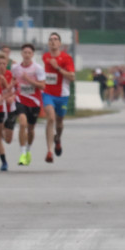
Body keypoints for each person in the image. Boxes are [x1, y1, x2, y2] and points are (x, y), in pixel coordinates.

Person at [41, 32, 75, 162]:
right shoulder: (45, 57)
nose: (53, 41)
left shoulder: (66, 58)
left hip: (62, 95)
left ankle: (58, 138)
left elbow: (72, 77)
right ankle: (49, 151)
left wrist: (58, 68)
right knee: (51, 118)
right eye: (50, 40)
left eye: (55, 39)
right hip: (48, 94)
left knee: (59, 123)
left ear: (59, 43)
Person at [10, 43, 44, 166]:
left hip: (34, 102)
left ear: (32, 55)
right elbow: (13, 81)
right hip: (20, 100)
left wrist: (28, 80)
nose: (27, 55)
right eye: (25, 52)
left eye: (29, 53)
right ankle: (22, 153)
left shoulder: (37, 68)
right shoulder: (16, 68)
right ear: (21, 54)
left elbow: (42, 85)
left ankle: (28, 150)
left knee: (30, 129)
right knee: (22, 123)